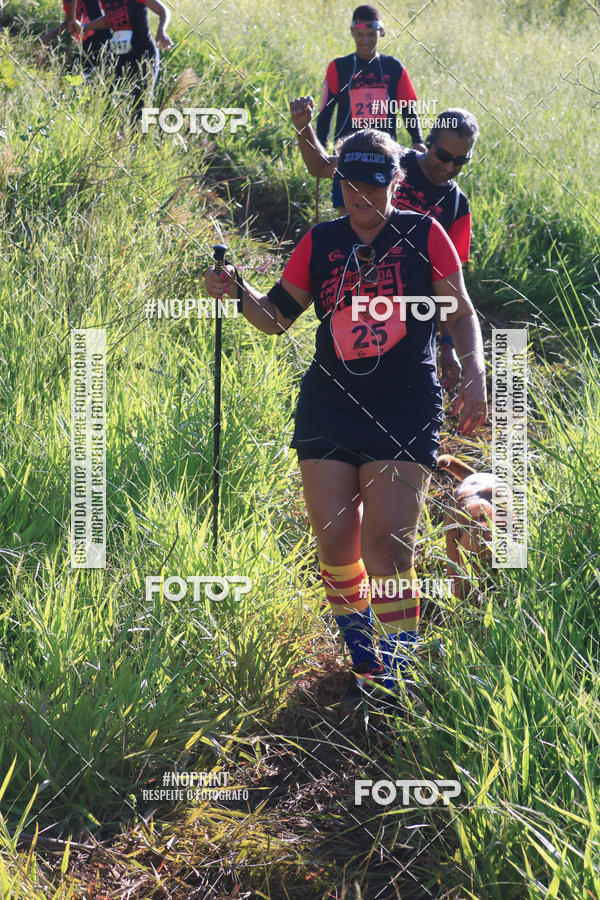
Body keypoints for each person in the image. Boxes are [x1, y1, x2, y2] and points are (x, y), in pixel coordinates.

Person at [205, 128, 487, 703]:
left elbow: (461, 315)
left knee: (388, 546)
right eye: (352, 186)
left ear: (395, 184)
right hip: (330, 401)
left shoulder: (424, 234)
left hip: (405, 401)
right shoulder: (321, 241)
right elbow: (277, 316)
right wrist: (237, 292)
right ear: (339, 186)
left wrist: (476, 374)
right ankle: (366, 656)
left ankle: (399, 668)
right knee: (335, 542)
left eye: (375, 186)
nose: (363, 198)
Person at [291, 99, 479, 392]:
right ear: (428, 143)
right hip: (350, 294)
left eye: (460, 161)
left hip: (411, 317)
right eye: (444, 155)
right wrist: (303, 127)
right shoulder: (389, 161)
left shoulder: (457, 205)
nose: (449, 166)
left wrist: (447, 347)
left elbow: (451, 293)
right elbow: (320, 166)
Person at [316, 4, 426, 212]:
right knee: (346, 216)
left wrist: (418, 140)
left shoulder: (394, 67)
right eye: (359, 35)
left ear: (381, 32)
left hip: (383, 155)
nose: (365, 41)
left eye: (371, 35)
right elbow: (325, 112)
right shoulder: (339, 67)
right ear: (352, 33)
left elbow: (407, 108)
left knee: (382, 216)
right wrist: (319, 149)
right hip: (348, 155)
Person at [68, 0, 172, 113]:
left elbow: (163, 11)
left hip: (144, 55)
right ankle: (112, 129)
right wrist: (84, 27)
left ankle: (137, 129)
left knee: (139, 103)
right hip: (121, 56)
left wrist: (161, 31)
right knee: (109, 101)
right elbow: (108, 19)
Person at [41, 0, 111, 72]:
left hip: (104, 38)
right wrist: (49, 36)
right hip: (85, 43)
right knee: (74, 73)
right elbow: (68, 22)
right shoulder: (67, 1)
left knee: (109, 71)